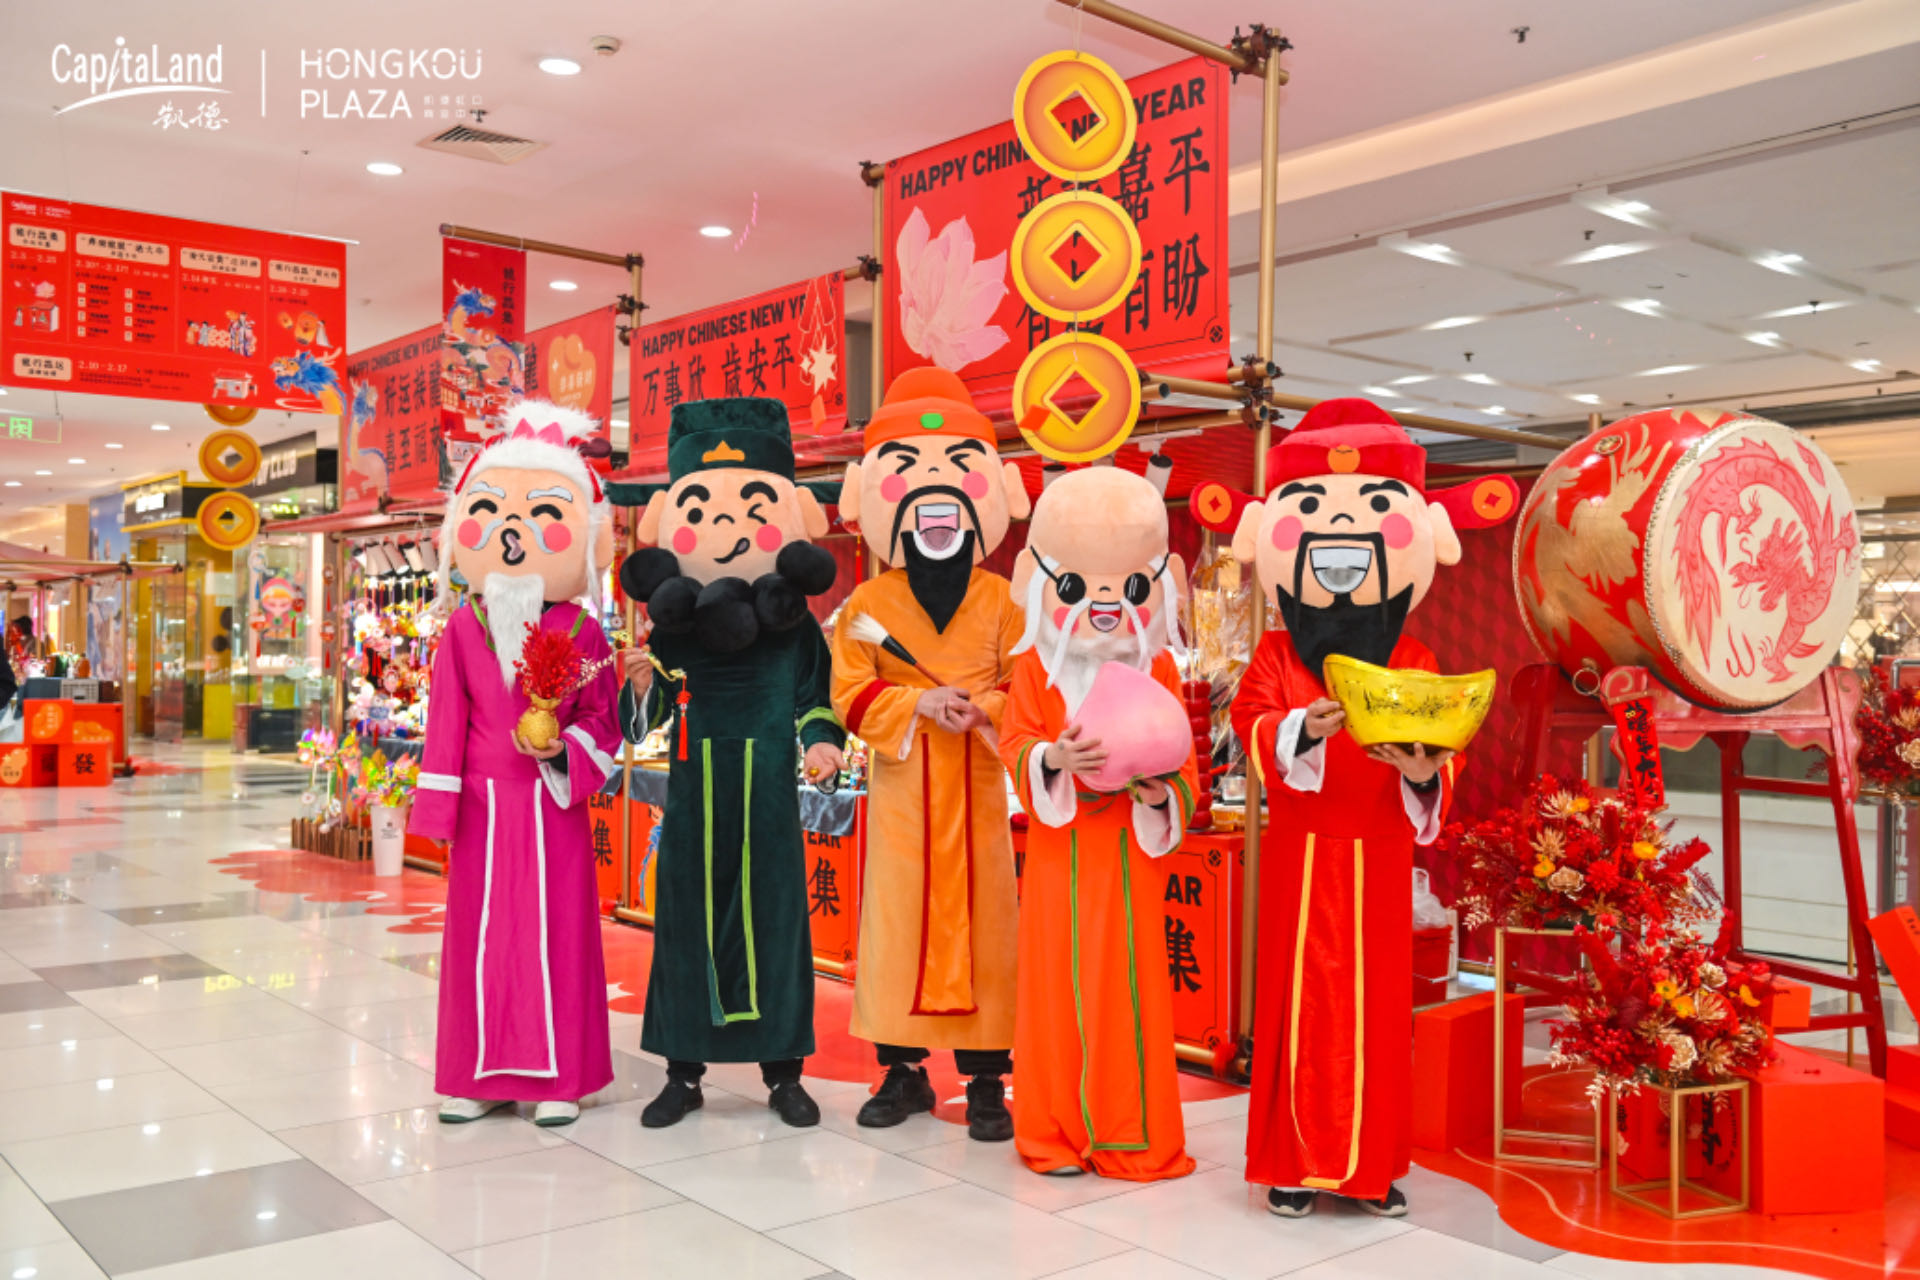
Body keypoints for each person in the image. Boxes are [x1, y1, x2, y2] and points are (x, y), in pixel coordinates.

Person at [1224, 398, 1516, 1217]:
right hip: (1301, 855)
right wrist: (1301, 730)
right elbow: (1248, 727)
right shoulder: (1276, 655)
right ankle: (1291, 1165)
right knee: (1297, 1005)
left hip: (1383, 855)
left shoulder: (1414, 656)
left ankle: (1373, 1165)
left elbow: (1443, 750)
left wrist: (1424, 770)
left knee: (1381, 1013)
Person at [613, 396, 845, 1129]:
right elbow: (646, 719)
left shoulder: (795, 629)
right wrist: (641, 687)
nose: (726, 526)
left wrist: (821, 741)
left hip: (769, 808)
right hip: (694, 808)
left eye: (750, 510)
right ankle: (683, 1074)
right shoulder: (672, 631)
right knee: (685, 928)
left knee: (777, 926)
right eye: (703, 513)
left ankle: (784, 1073)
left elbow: (814, 700)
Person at [408, 400, 624, 1128]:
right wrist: (439, 812)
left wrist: (562, 749)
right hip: (481, 811)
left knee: (558, 936)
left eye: (541, 515)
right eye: (493, 511)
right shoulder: (462, 628)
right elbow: (445, 725)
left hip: (551, 809)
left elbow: (604, 721)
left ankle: (560, 1079)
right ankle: (479, 1076)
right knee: (480, 940)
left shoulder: (585, 631)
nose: (513, 531)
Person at [828, 367, 1030, 1141]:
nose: (936, 515)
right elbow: (849, 691)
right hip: (905, 790)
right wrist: (917, 703)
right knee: (899, 927)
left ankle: (986, 1081)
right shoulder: (869, 603)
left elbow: (1026, 686)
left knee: (986, 928)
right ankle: (903, 1070)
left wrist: (982, 709)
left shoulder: (1002, 600)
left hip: (976, 787)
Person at [999, 465, 1198, 1180]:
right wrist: (1052, 758)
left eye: (1130, 587)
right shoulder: (1034, 670)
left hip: (1128, 857)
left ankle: (1128, 1134)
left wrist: (1158, 791)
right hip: (1060, 854)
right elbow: (1016, 744)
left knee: (1128, 993)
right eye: (1083, 586)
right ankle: (1051, 1133)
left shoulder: (1160, 668)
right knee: (1053, 990)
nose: (1108, 603)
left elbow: (1186, 769)